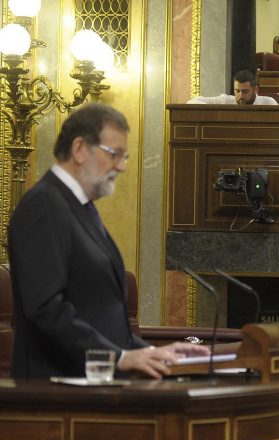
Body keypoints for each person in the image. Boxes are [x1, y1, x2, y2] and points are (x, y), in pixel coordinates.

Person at [7, 103, 209, 379]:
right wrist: (120, 358)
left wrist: (151, 352)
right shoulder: (43, 205)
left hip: (91, 388)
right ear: (79, 150)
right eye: (115, 154)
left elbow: (101, 320)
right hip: (55, 395)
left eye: (125, 157)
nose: (123, 166)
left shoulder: (79, 209)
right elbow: (45, 310)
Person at [186, 70, 278, 105]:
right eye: (237, 91)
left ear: (255, 90)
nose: (240, 96)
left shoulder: (269, 103)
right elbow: (192, 101)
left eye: (245, 92)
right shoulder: (226, 101)